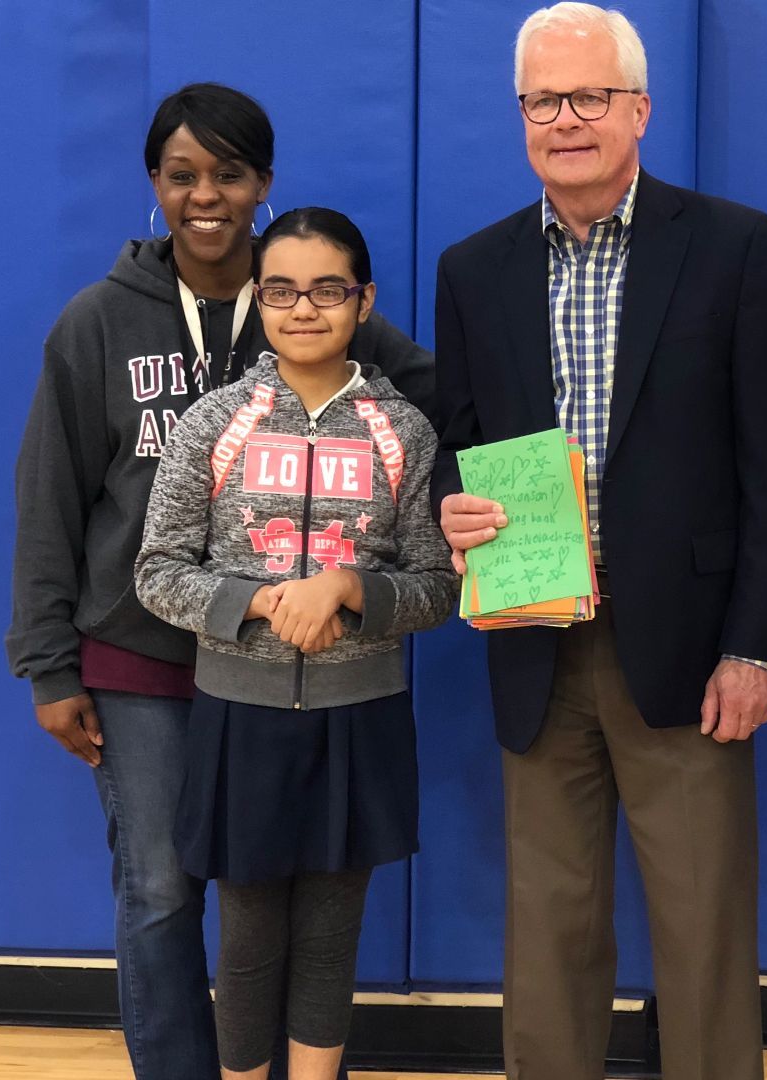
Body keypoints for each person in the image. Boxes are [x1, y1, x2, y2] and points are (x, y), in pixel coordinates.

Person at [5, 83, 433, 1080]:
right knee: (160, 888)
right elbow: (49, 497)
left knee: (286, 903)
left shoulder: (311, 301)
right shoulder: (95, 324)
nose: (206, 196)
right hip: (142, 652)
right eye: (181, 175)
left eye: (228, 175)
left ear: (263, 186)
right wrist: (48, 666)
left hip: (289, 668)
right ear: (153, 185)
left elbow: (437, 407)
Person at [429, 4, 767, 1077]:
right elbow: (455, 451)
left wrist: (753, 647)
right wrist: (449, 510)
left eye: (588, 95)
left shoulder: (734, 246)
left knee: (701, 934)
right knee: (547, 934)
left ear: (638, 108)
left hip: (690, 652)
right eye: (543, 100)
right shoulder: (475, 268)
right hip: (535, 637)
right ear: (520, 117)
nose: (566, 118)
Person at [134, 207, 456, 1080]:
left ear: (364, 300)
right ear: (256, 296)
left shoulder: (405, 431)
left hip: (362, 715)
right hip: (240, 716)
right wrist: (261, 601)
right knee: (246, 942)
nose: (302, 308)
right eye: (280, 290)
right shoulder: (213, 422)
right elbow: (158, 571)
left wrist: (354, 589)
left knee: (327, 937)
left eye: (326, 290)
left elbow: (440, 583)